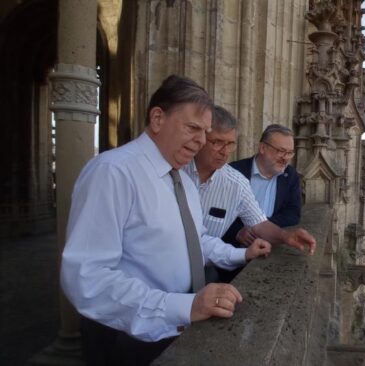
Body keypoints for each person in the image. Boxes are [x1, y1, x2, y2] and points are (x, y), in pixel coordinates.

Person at [60, 75, 271, 365]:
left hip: (173, 328)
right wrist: (183, 305)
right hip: (126, 337)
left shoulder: (182, 178)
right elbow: (87, 277)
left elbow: (195, 241)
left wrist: (241, 255)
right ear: (157, 118)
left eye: (205, 132)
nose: (201, 141)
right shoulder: (113, 172)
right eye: (193, 128)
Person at [183, 106, 316, 282]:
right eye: (217, 142)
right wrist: (240, 240)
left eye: (230, 144)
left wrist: (286, 236)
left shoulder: (237, 183)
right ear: (200, 138)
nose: (225, 152)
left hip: (204, 270)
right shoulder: (176, 171)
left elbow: (260, 224)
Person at [222, 124, 301, 247]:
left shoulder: (290, 175)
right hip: (232, 250)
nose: (285, 158)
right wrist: (237, 231)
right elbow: (218, 212)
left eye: (290, 153)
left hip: (271, 247)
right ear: (263, 148)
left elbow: (293, 213)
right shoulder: (234, 172)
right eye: (281, 151)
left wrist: (260, 228)